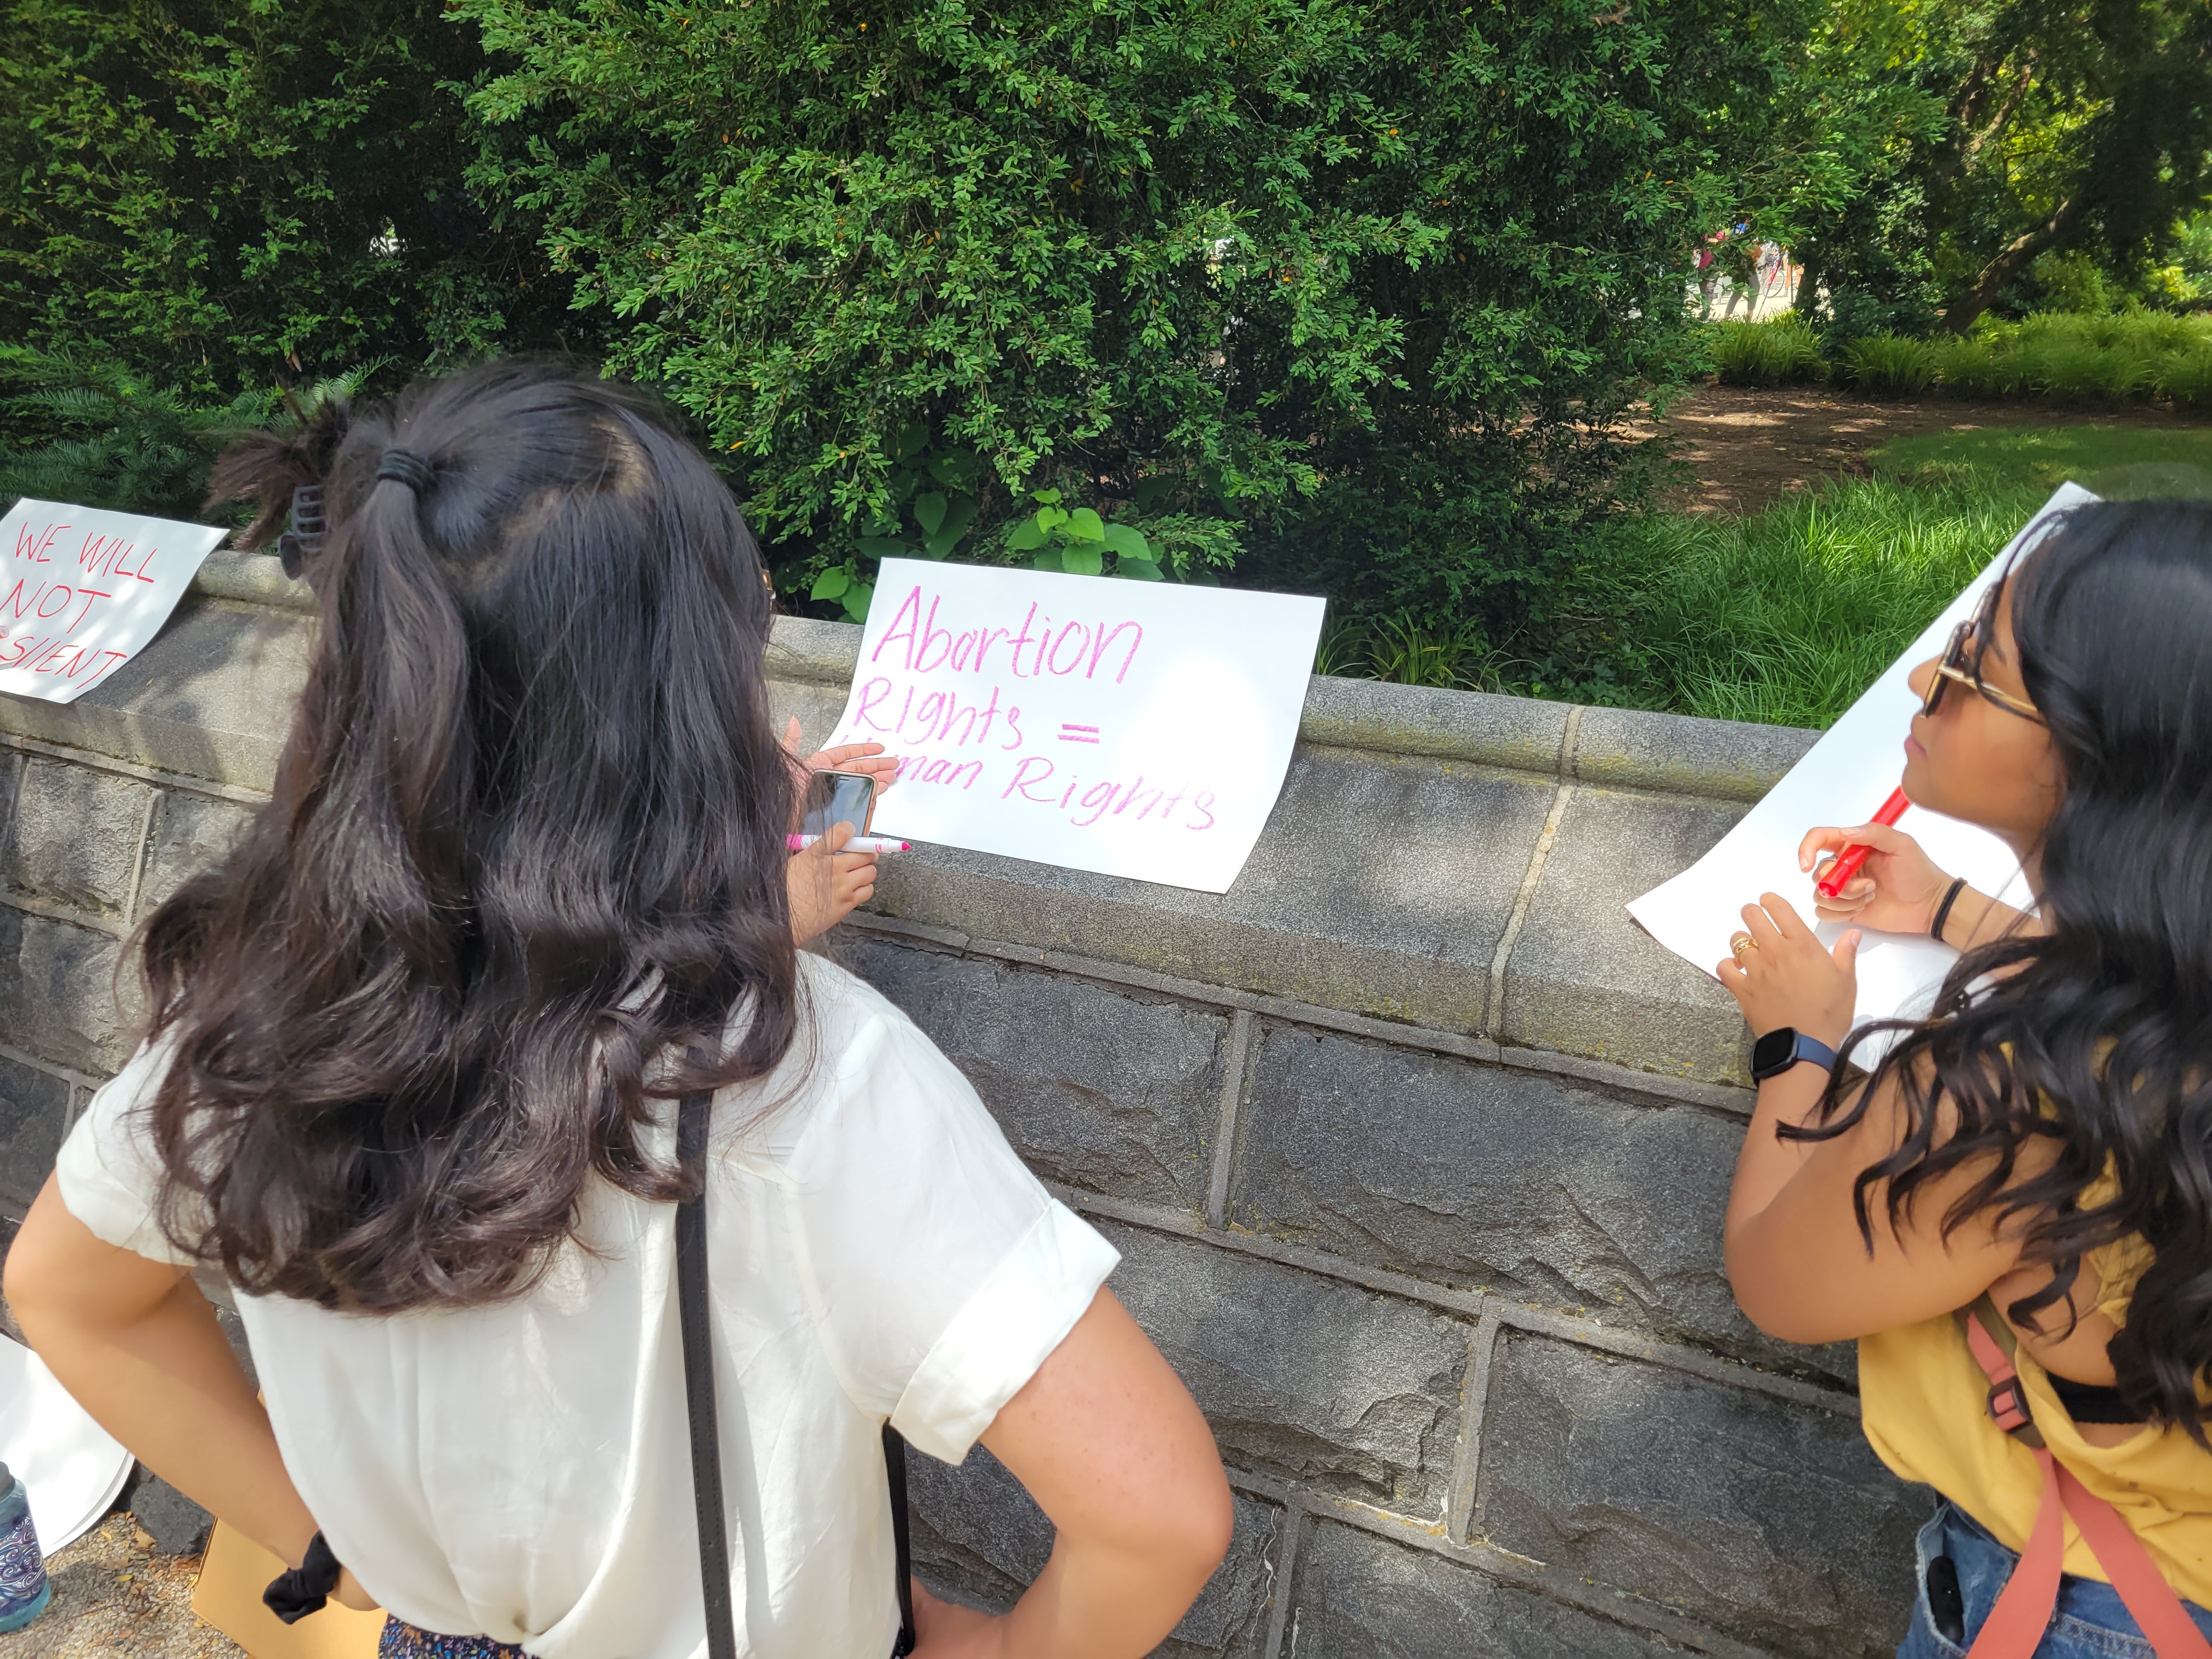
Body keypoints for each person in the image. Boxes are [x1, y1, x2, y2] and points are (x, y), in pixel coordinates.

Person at [3, 360, 1232, 1658]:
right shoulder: (814, 1081)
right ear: (690, 697)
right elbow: (1156, 1518)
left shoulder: (253, 1021)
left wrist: (334, 1551)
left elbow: (67, 1292)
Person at [1714, 499, 2212, 1656]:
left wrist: (1799, 1050)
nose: (1922, 683)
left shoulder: (2006, 1091)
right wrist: (1950, 908)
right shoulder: (2166, 1014)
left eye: (1972, 672)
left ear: (2093, 749)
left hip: (2090, 1610)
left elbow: (1776, 1278)